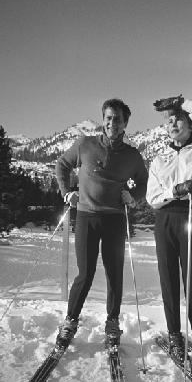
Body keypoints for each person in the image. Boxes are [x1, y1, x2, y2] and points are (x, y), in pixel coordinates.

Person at [55, 98, 148, 346]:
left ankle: (112, 322)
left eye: (117, 119)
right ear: (103, 120)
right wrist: (67, 192)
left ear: (125, 123)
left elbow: (144, 183)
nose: (112, 123)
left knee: (114, 273)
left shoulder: (132, 156)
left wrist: (134, 196)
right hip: (86, 216)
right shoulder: (85, 145)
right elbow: (62, 164)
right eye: (108, 118)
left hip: (115, 220)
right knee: (85, 273)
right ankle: (70, 321)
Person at [146, 94, 192, 362]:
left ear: (190, 125)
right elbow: (152, 197)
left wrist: (181, 101)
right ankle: (175, 335)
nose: (173, 123)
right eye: (170, 120)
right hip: (164, 219)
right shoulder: (158, 158)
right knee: (168, 280)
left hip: (190, 215)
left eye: (179, 119)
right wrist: (175, 189)